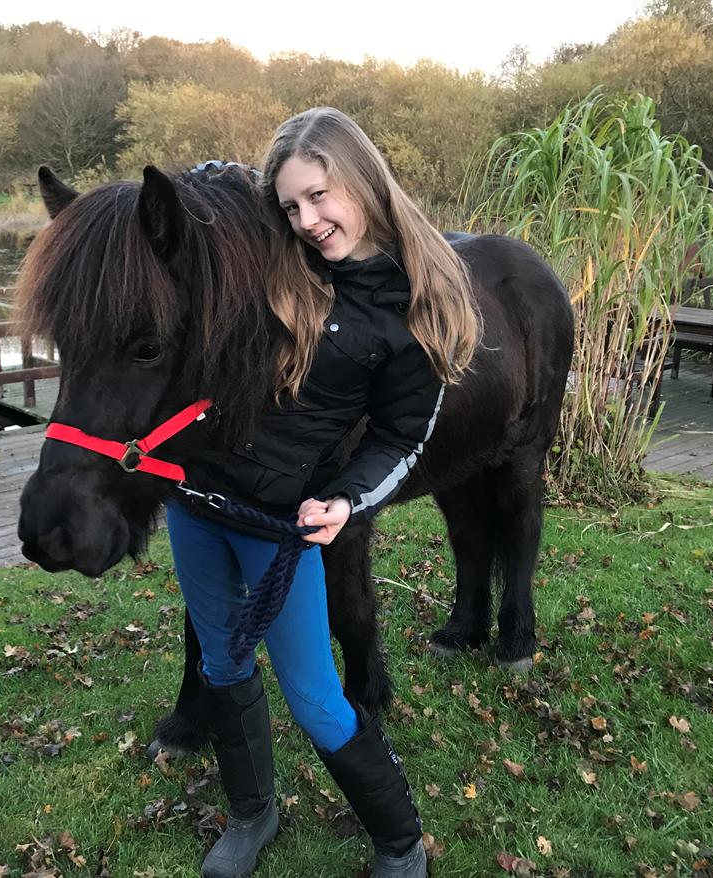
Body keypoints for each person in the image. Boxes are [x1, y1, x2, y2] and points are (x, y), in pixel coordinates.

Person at [167, 107, 480, 878]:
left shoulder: (414, 305)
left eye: (319, 196)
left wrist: (346, 500)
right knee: (220, 663)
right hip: (196, 501)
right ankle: (252, 814)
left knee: (315, 697)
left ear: (364, 180)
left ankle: (400, 844)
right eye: (290, 206)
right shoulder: (273, 260)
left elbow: (401, 438)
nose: (306, 221)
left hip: (277, 524)